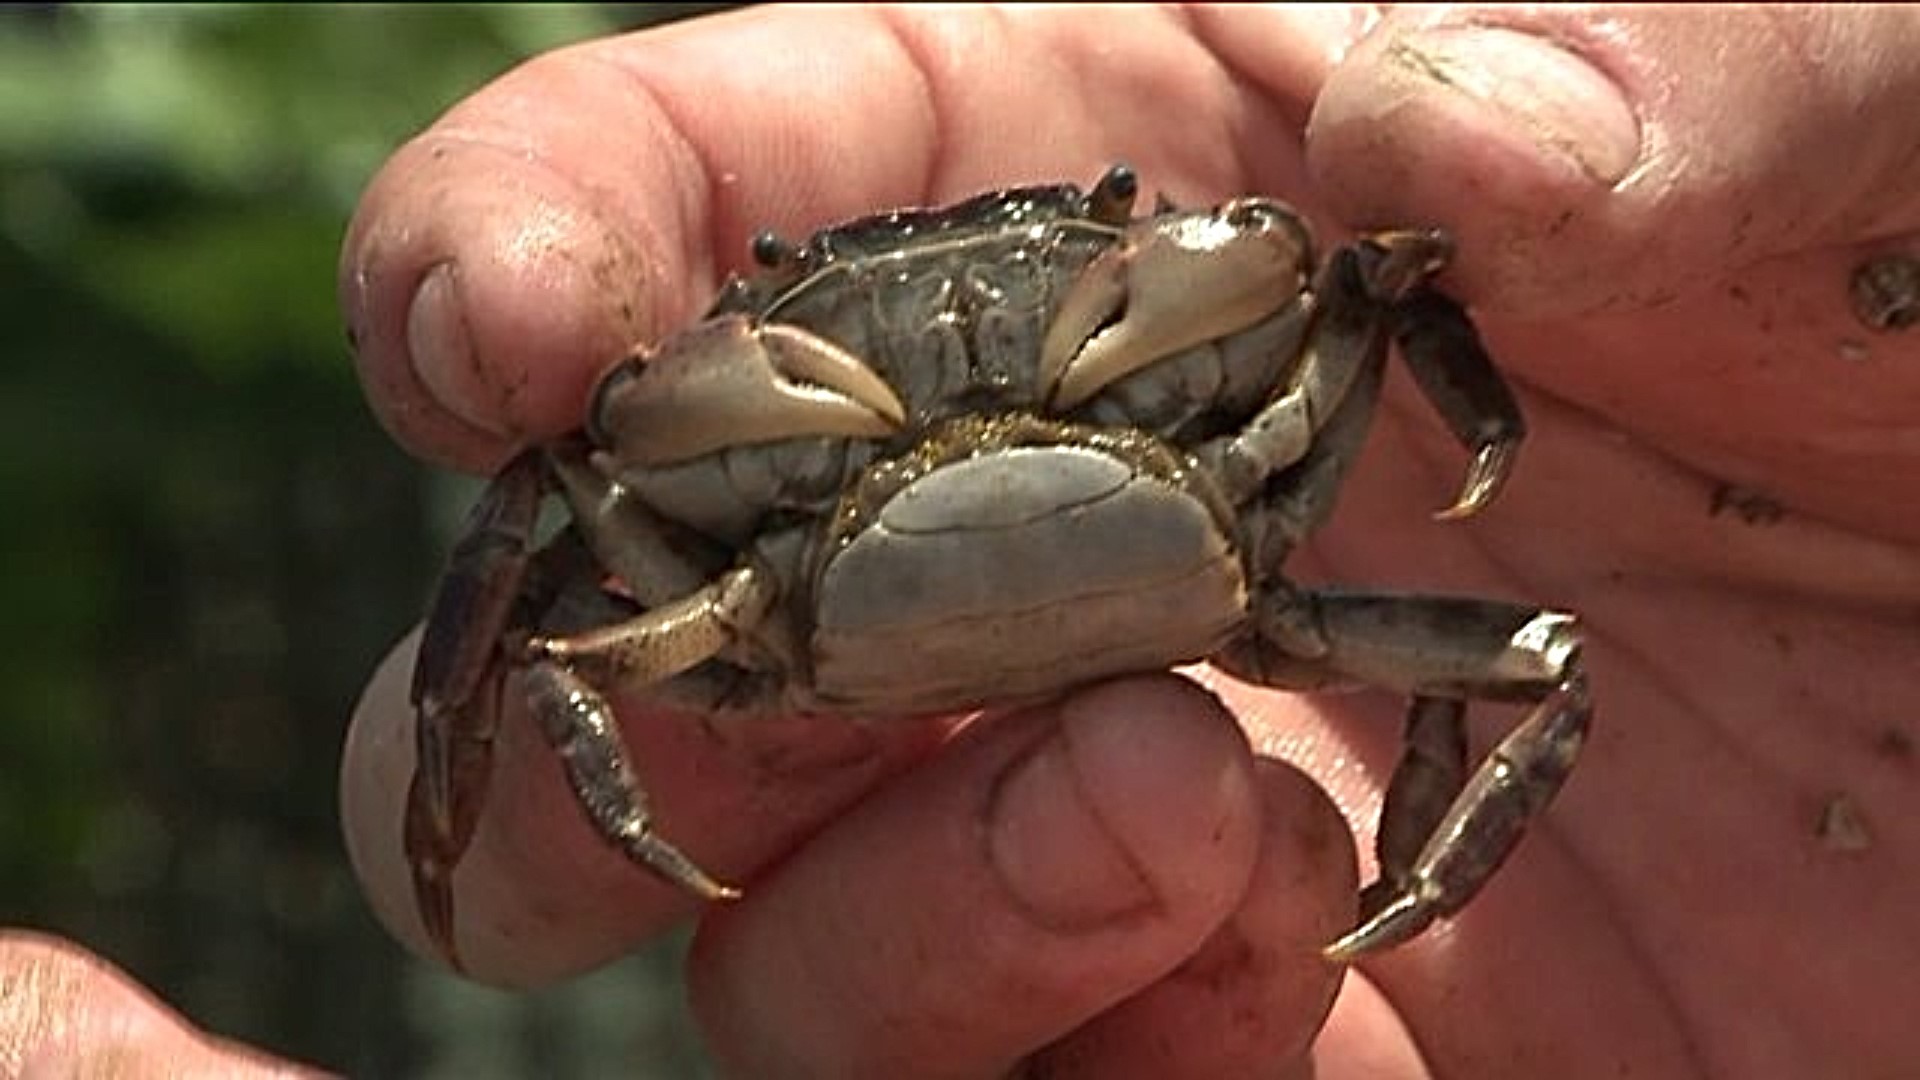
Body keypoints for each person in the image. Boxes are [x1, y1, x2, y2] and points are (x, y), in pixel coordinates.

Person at [11, 5, 1917, 1076]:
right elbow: (552, 522)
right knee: (535, 514)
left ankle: (1410, 885)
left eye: (1048, 278)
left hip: (1211, 551)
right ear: (776, 316)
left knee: (1527, 671)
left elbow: (1349, 281)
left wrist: (1500, 417)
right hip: (787, 592)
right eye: (852, 314)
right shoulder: (692, 553)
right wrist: (488, 766)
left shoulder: (1295, 385)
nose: (976, 344)